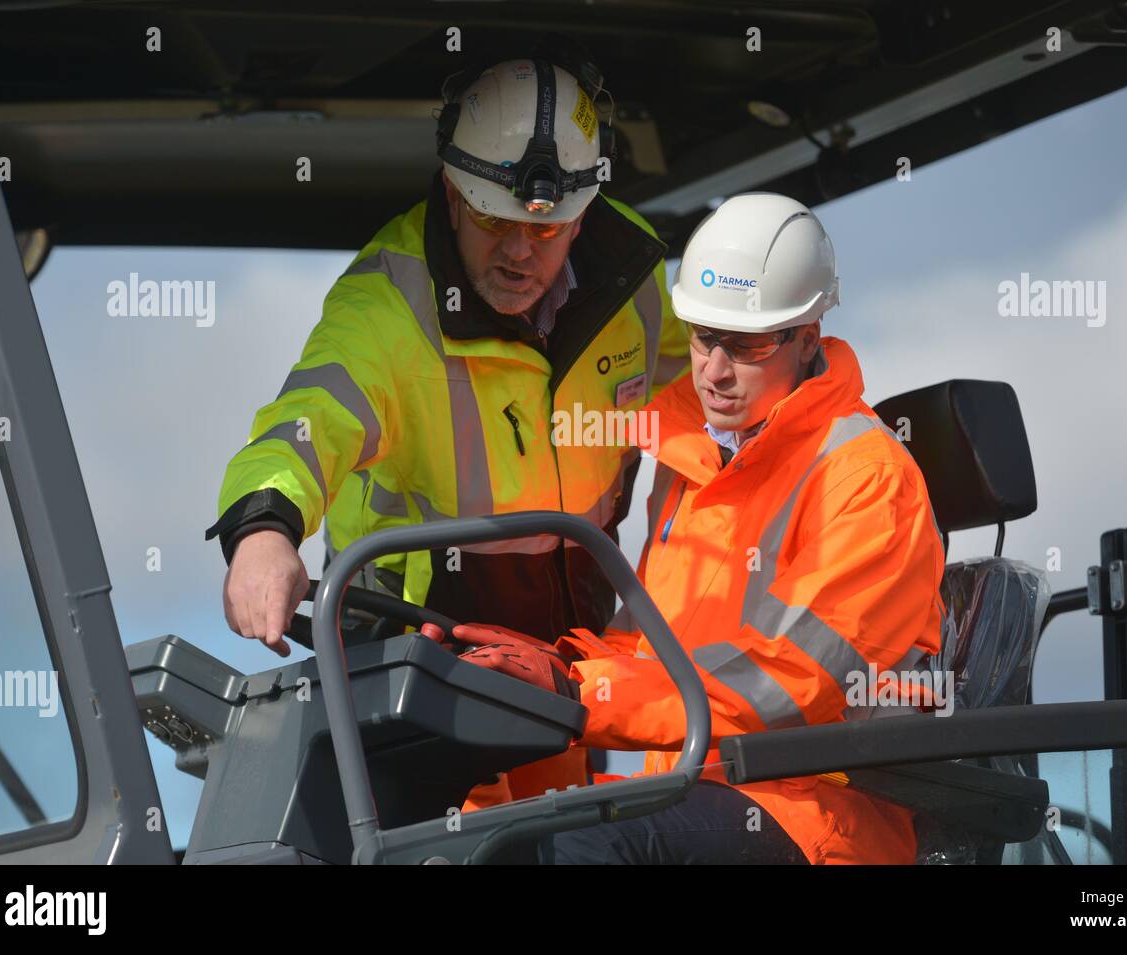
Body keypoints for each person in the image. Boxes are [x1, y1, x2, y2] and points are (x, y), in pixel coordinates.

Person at [205, 49, 690, 801]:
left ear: (584, 214)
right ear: (453, 192)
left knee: (566, 845)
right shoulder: (387, 306)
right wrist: (264, 530)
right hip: (420, 662)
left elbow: (731, 397)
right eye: (496, 221)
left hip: (569, 661)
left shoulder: (635, 277)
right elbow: (305, 422)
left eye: (550, 228)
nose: (522, 252)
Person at [430, 193, 947, 863]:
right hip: (697, 786)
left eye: (748, 343)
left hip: (818, 811)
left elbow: (791, 684)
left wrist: (579, 693)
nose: (714, 369)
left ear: (809, 338)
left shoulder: (868, 478)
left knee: (581, 847)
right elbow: (650, 648)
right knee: (476, 823)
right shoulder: (695, 463)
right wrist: (542, 670)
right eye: (704, 337)